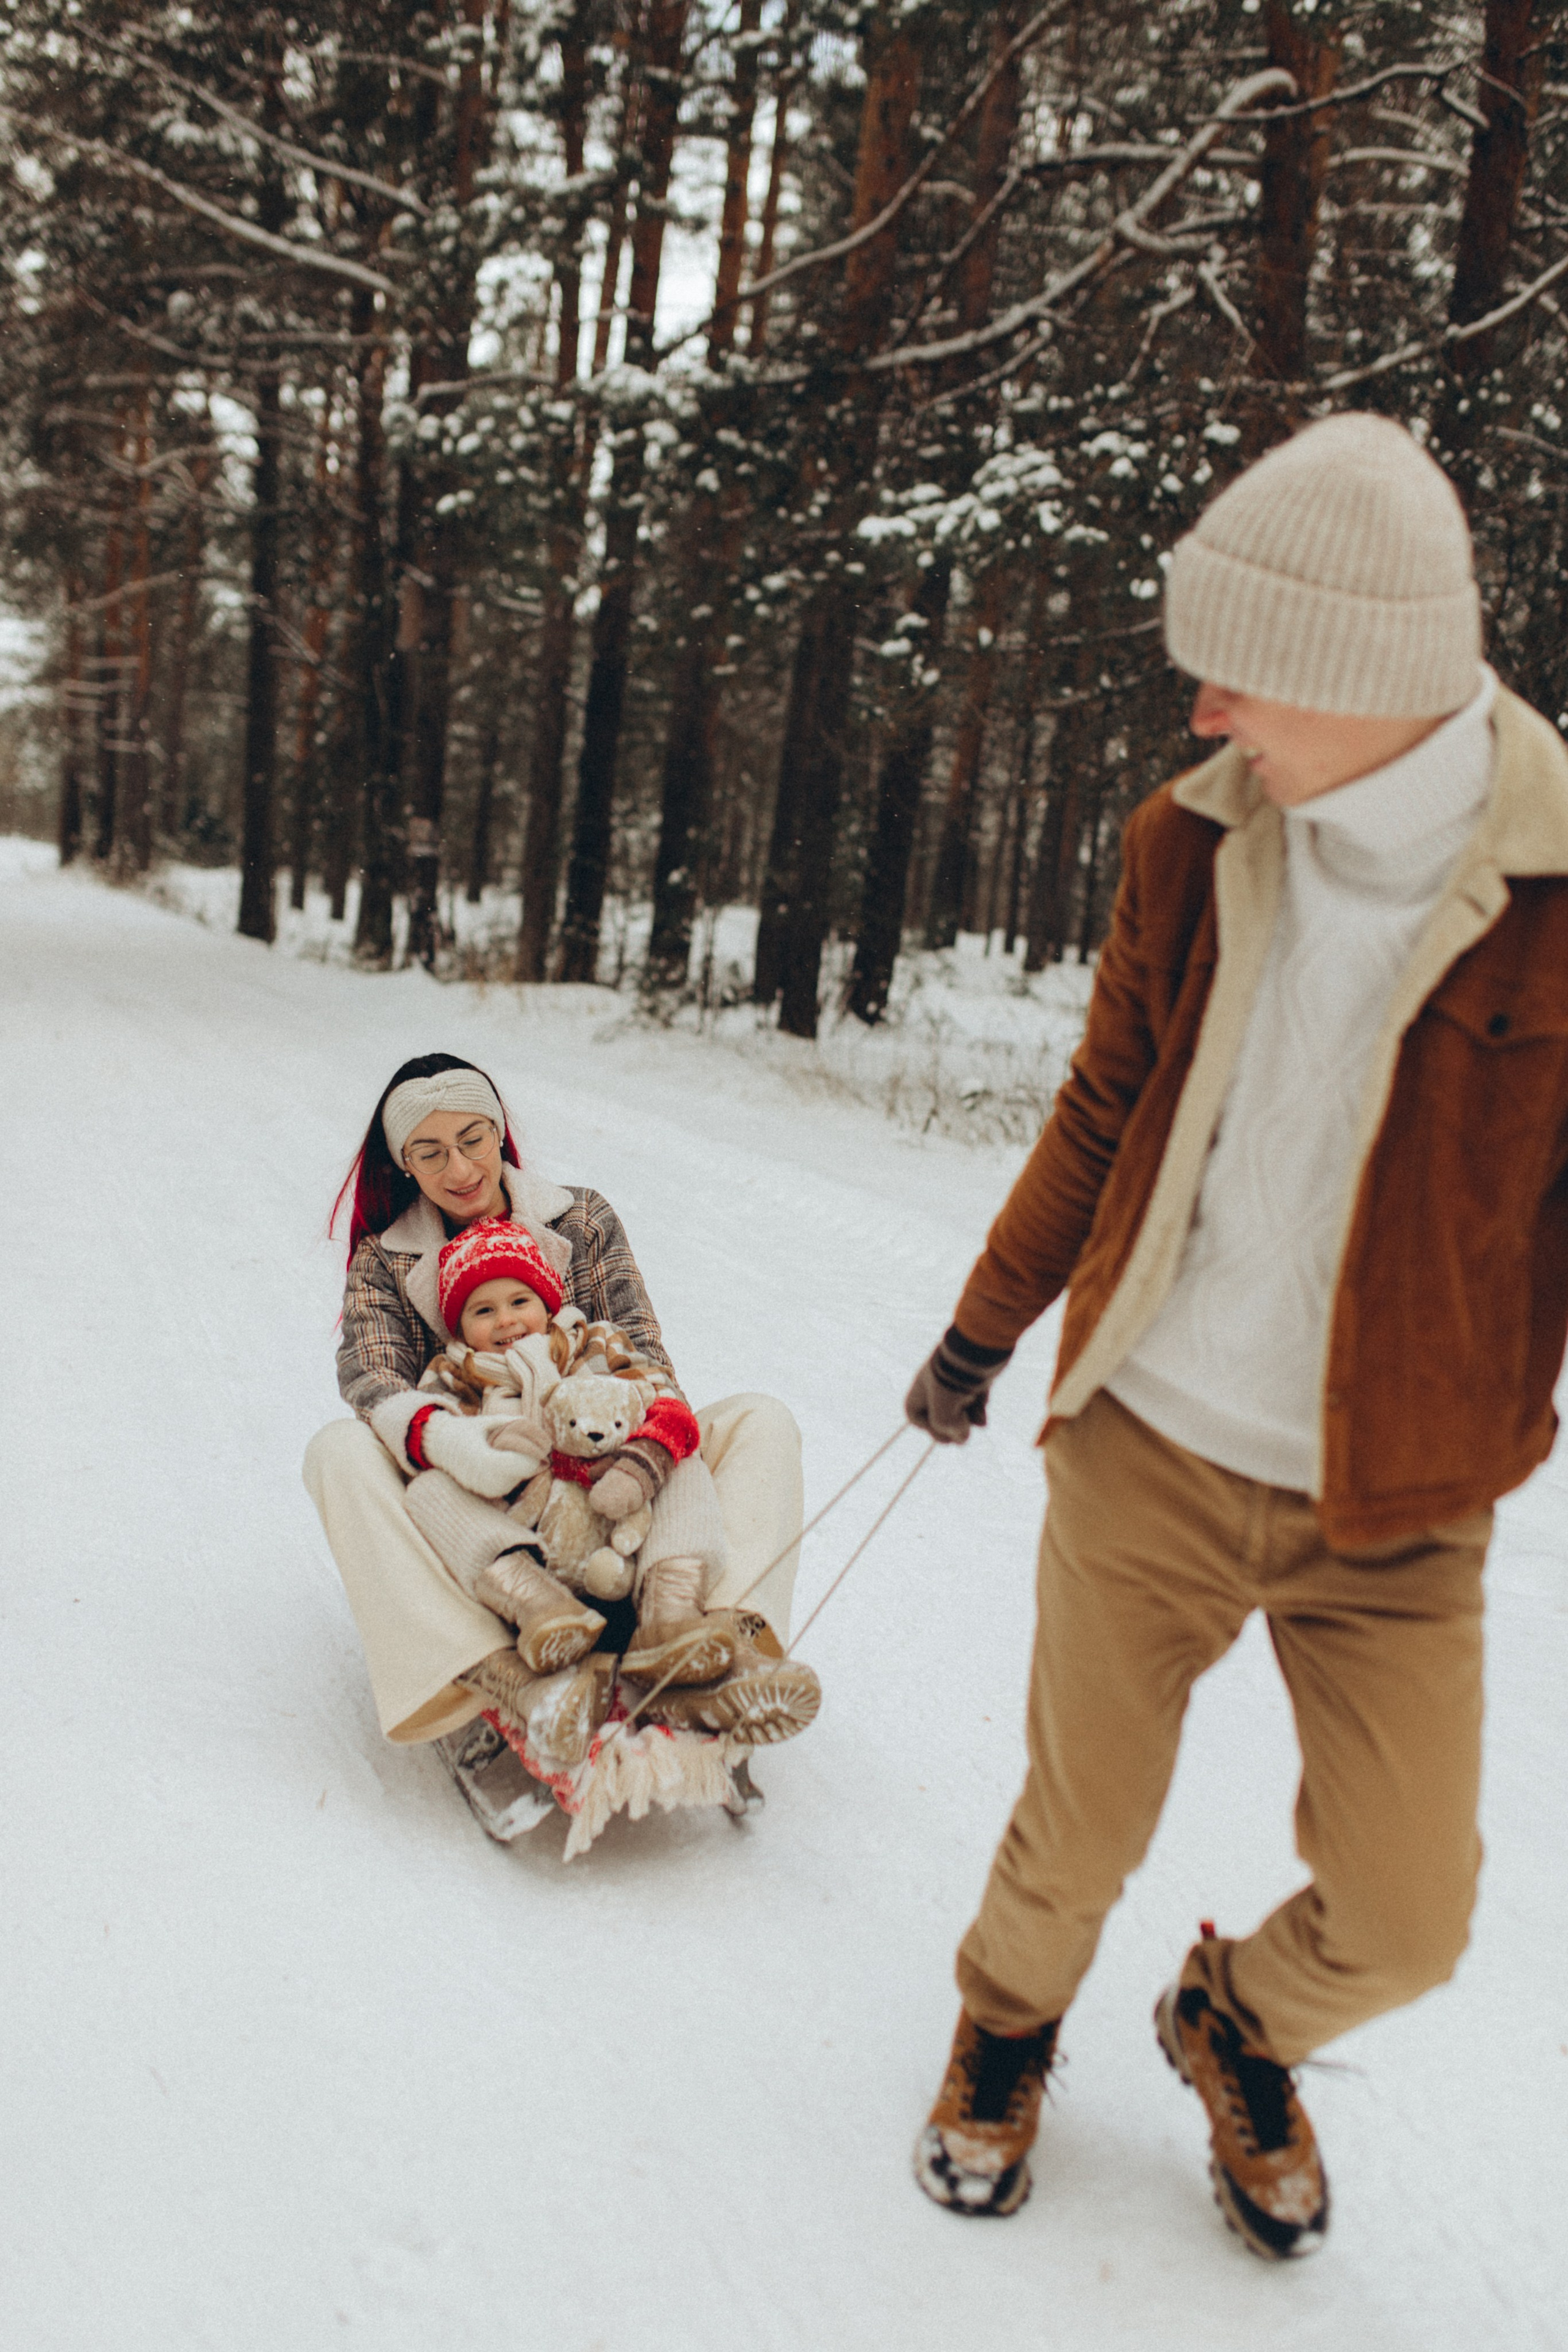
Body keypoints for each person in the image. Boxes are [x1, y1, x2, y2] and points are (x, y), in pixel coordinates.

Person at [904, 412, 1568, 2258]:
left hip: (1400, 1506)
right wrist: (981, 1329)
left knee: (1410, 1905)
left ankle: (1234, 2020)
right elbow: (1098, 1106)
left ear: (1362, 677)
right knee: (1078, 1821)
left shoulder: (1557, 893)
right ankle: (1003, 2027)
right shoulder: (1186, 846)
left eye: (1239, 673)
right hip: (1153, 1446)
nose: (1204, 712)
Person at [304, 1054, 818, 1827]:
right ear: (403, 1163)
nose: (459, 1167)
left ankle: (708, 1645)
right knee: (336, 1453)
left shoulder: (580, 1218)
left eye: (473, 1139)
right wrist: (454, 1444)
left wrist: (639, 1450)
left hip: (611, 1462)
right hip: (487, 1484)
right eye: (430, 1152)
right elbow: (373, 1379)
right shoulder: (388, 1257)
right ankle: (498, 1675)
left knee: (761, 1419)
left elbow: (645, 1351)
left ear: (500, 1132)